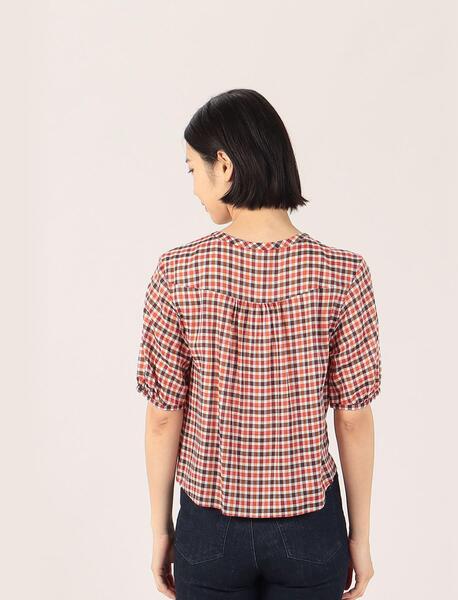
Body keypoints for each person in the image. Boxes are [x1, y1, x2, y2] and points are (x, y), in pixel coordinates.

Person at [136, 89, 382, 600]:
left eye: (193, 170)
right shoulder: (344, 274)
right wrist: (359, 537)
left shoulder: (178, 272)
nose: (194, 187)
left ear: (224, 166)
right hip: (310, 526)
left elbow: (163, 417)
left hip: (209, 528)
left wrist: (162, 530)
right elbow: (353, 419)